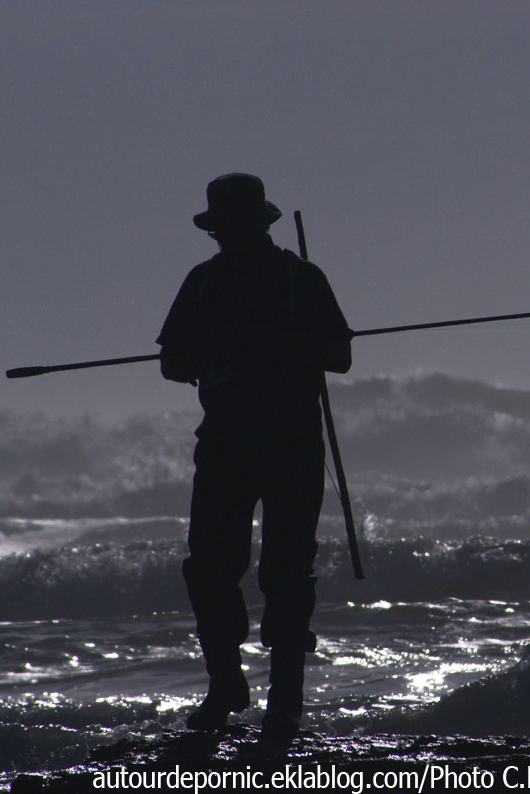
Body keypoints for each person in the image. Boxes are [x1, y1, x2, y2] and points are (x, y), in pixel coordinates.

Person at [157, 173, 353, 742]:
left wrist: (274, 343)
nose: (227, 239)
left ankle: (284, 703)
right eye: (224, 230)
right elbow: (171, 362)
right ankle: (226, 686)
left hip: (289, 445)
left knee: (287, 572)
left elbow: (338, 355)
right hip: (225, 446)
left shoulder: (301, 278)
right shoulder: (202, 283)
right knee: (210, 570)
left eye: (232, 229)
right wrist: (209, 350)